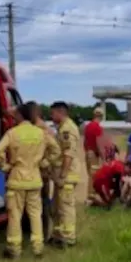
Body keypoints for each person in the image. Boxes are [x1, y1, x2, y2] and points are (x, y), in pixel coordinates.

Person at [0, 103, 47, 259]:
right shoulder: (40, 133)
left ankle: (14, 249)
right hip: (35, 179)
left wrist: (4, 166)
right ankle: (38, 247)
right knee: (35, 214)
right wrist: (44, 163)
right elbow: (55, 149)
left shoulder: (12, 133)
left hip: (16, 180)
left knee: (15, 215)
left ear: (20, 115)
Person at [50, 101, 82, 248]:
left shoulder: (67, 129)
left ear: (60, 112)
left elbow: (68, 154)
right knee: (57, 207)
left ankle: (69, 237)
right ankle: (58, 235)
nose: (51, 117)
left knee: (66, 207)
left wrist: (63, 175)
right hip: (62, 175)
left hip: (67, 176)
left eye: (53, 113)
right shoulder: (62, 128)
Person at [31, 103, 60, 243]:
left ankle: (43, 233)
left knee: (42, 203)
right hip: (40, 170)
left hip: (40, 172)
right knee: (42, 203)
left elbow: (54, 150)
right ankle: (43, 232)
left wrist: (44, 164)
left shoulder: (41, 129)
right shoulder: (46, 129)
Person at [83, 107, 105, 202]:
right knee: (94, 176)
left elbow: (85, 141)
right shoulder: (98, 128)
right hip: (94, 154)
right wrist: (103, 157)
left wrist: (87, 151)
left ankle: (90, 195)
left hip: (88, 152)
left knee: (90, 175)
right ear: (101, 116)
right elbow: (99, 144)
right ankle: (91, 197)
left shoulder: (88, 126)